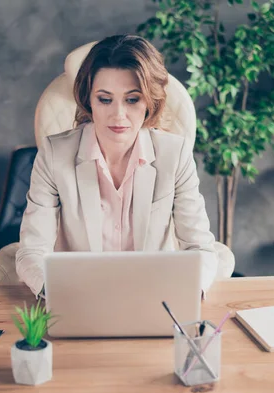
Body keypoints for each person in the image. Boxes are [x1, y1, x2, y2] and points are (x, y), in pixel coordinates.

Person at [15, 34, 218, 297]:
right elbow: (32, 250)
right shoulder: (53, 154)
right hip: (78, 294)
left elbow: (200, 248)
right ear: (88, 100)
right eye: (105, 99)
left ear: (149, 102)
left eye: (132, 99)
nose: (118, 115)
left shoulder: (175, 153)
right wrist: (57, 294)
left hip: (154, 295)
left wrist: (186, 293)